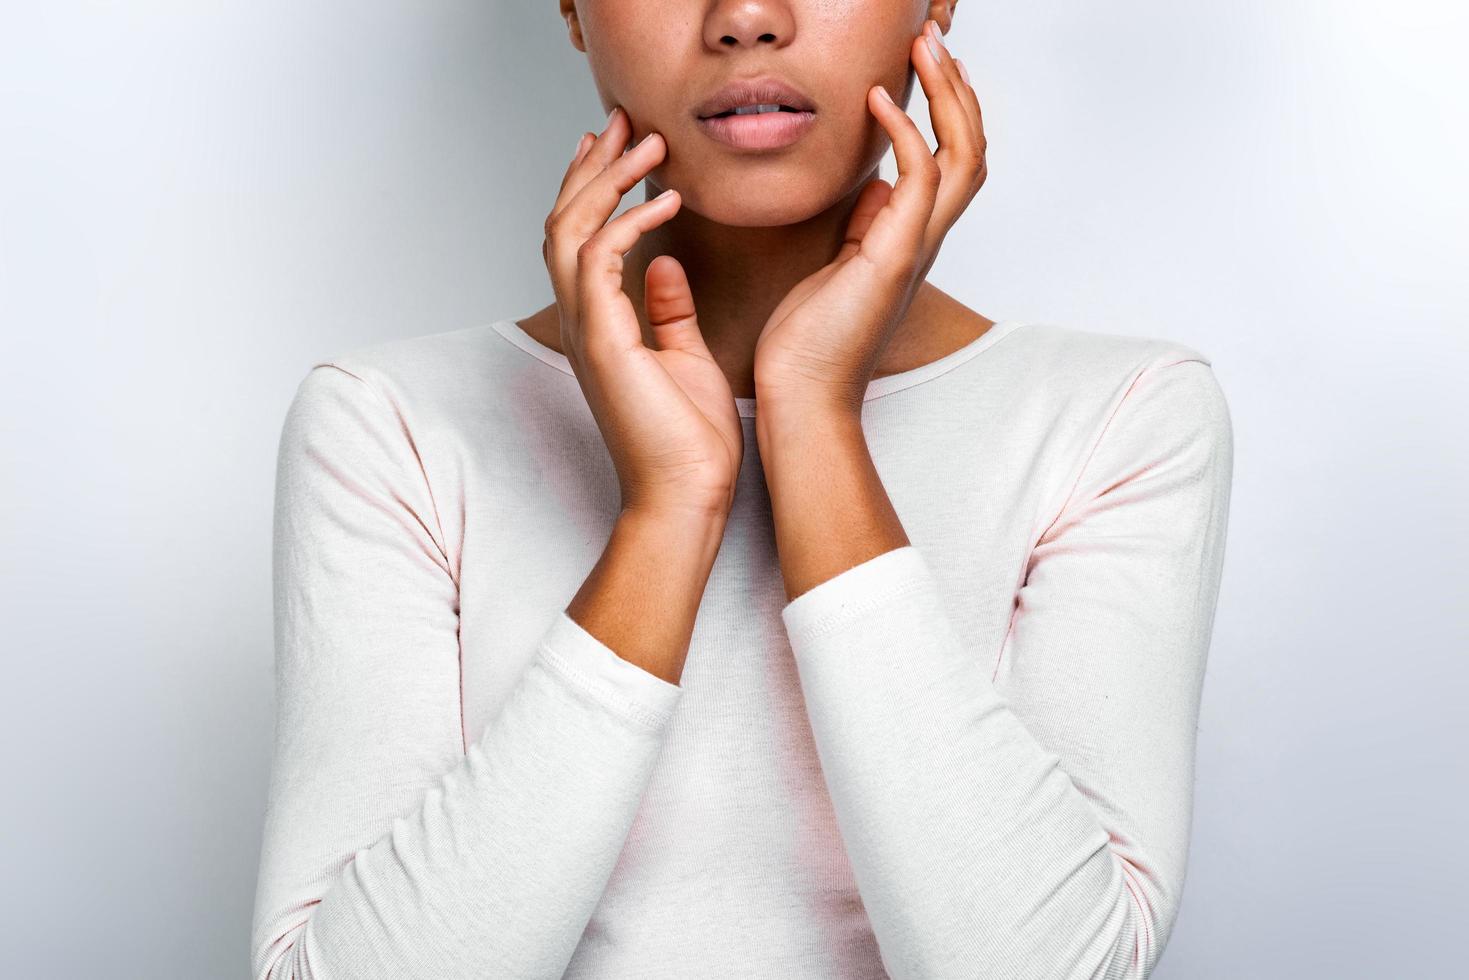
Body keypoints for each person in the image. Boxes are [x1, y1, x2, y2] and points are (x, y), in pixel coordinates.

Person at [249, 3, 1233, 978]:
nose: (746, 16)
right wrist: (669, 508)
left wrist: (810, 411)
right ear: (571, 10)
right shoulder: (394, 425)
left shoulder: (1116, 417)